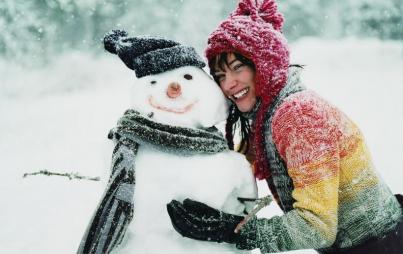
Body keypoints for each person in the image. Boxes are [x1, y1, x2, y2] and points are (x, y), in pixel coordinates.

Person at [166, 0, 403, 253]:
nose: (229, 84)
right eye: (221, 76)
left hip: (381, 245)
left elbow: (317, 227)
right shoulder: (269, 116)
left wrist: (233, 230)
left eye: (237, 68)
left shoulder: (299, 116)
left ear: (263, 64)